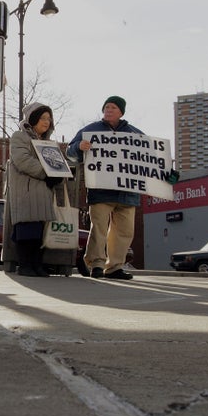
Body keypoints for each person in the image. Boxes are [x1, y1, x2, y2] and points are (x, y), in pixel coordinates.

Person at [66, 95, 141, 280]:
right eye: (106, 107)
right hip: (101, 190)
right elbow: (70, 152)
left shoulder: (136, 134)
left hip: (127, 193)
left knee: (124, 232)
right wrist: (78, 147)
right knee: (98, 228)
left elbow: (151, 158)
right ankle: (96, 264)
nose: (108, 110)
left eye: (113, 107)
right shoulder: (91, 130)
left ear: (121, 112)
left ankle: (115, 267)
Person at [6, 102, 63, 276]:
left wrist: (59, 172)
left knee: (39, 230)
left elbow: (57, 164)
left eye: (49, 118)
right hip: (26, 190)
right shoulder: (19, 137)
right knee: (26, 227)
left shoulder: (48, 143)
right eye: (43, 118)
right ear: (33, 119)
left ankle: (37, 264)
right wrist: (47, 173)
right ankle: (25, 265)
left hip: (43, 192)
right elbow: (22, 160)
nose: (47, 121)